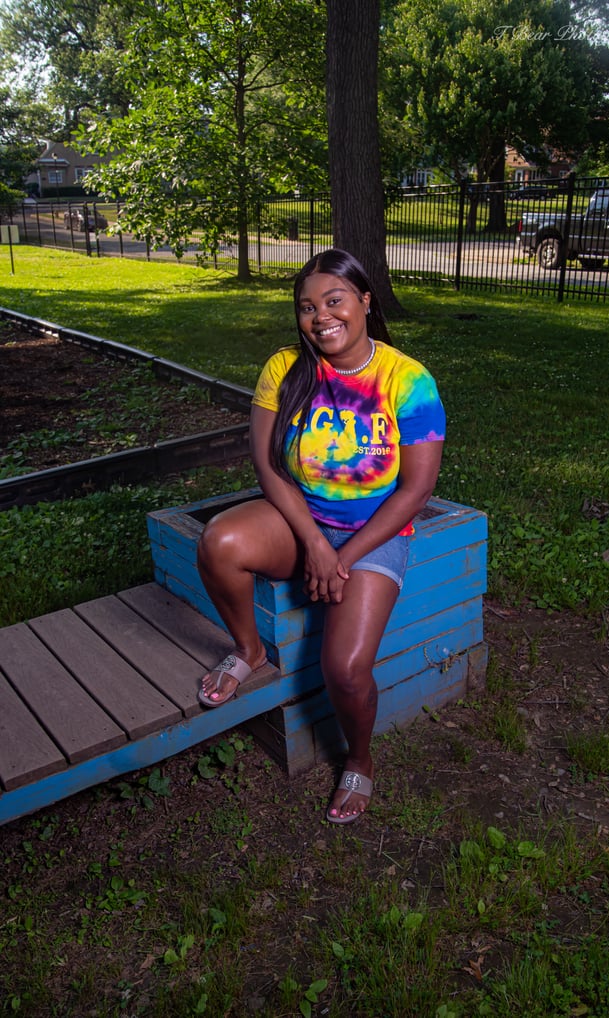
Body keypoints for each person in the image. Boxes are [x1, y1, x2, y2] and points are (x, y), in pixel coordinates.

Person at [196, 248, 446, 824]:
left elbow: (415, 490)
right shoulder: (284, 368)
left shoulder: (408, 380)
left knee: (346, 668)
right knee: (219, 543)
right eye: (307, 307)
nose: (321, 317)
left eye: (334, 301)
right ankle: (249, 650)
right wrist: (313, 543)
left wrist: (344, 557)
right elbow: (266, 466)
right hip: (299, 520)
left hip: (373, 531)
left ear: (365, 300)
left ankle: (359, 758)